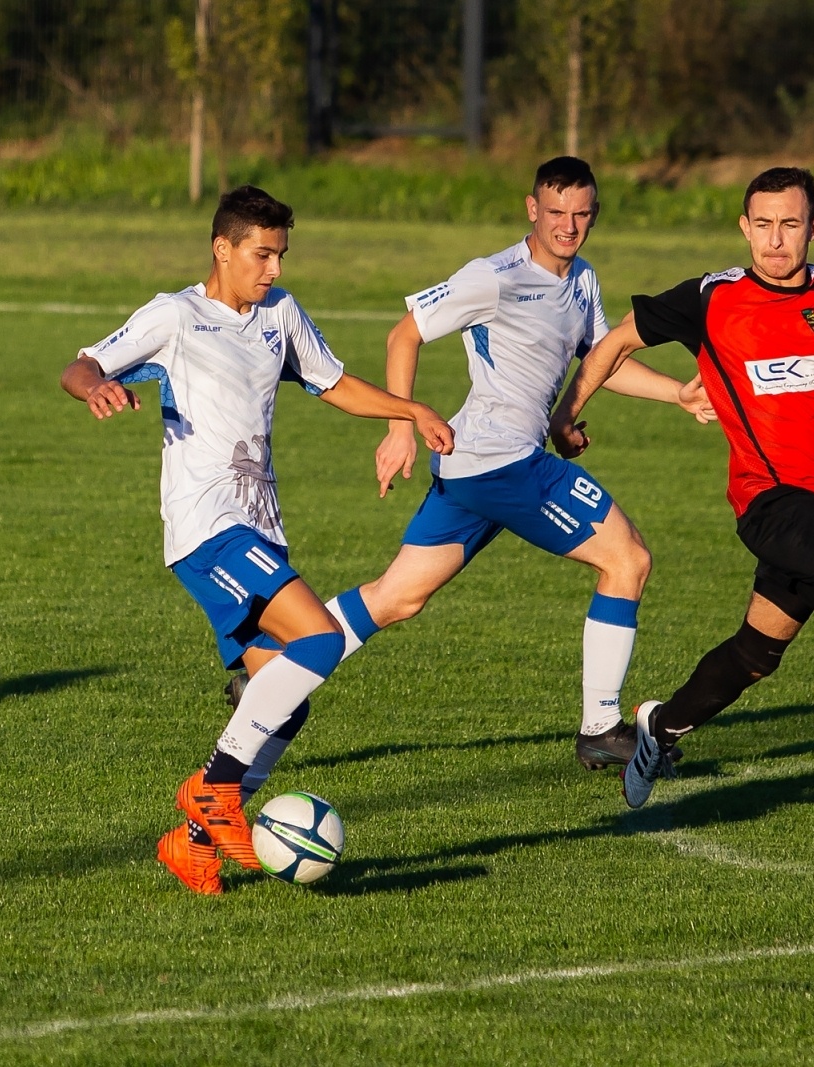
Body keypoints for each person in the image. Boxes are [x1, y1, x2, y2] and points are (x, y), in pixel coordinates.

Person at [61, 185, 454, 894]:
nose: (273, 269)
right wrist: (94, 388)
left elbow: (333, 385)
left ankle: (191, 843)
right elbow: (82, 362)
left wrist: (410, 409)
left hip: (259, 530)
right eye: (261, 254)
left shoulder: (280, 313)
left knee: (284, 696)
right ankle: (215, 791)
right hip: (207, 527)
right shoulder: (175, 315)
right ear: (223, 247)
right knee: (320, 640)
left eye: (280, 254)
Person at [279, 157, 715, 771]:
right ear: (531, 209)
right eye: (555, 211)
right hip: (502, 463)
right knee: (628, 559)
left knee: (398, 597)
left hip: (473, 467)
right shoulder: (493, 276)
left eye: (581, 213)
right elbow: (403, 336)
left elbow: (600, 358)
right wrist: (401, 425)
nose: (568, 225)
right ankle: (600, 727)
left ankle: (276, 670)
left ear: (594, 214)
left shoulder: (582, 279)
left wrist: (674, 393)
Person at [548, 165, 814, 807]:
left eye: (790, 224)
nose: (776, 240)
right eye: (763, 225)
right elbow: (614, 342)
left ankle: (660, 728)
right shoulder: (712, 297)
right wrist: (566, 415)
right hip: (767, 502)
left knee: (758, 652)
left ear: (813, 227)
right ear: (744, 228)